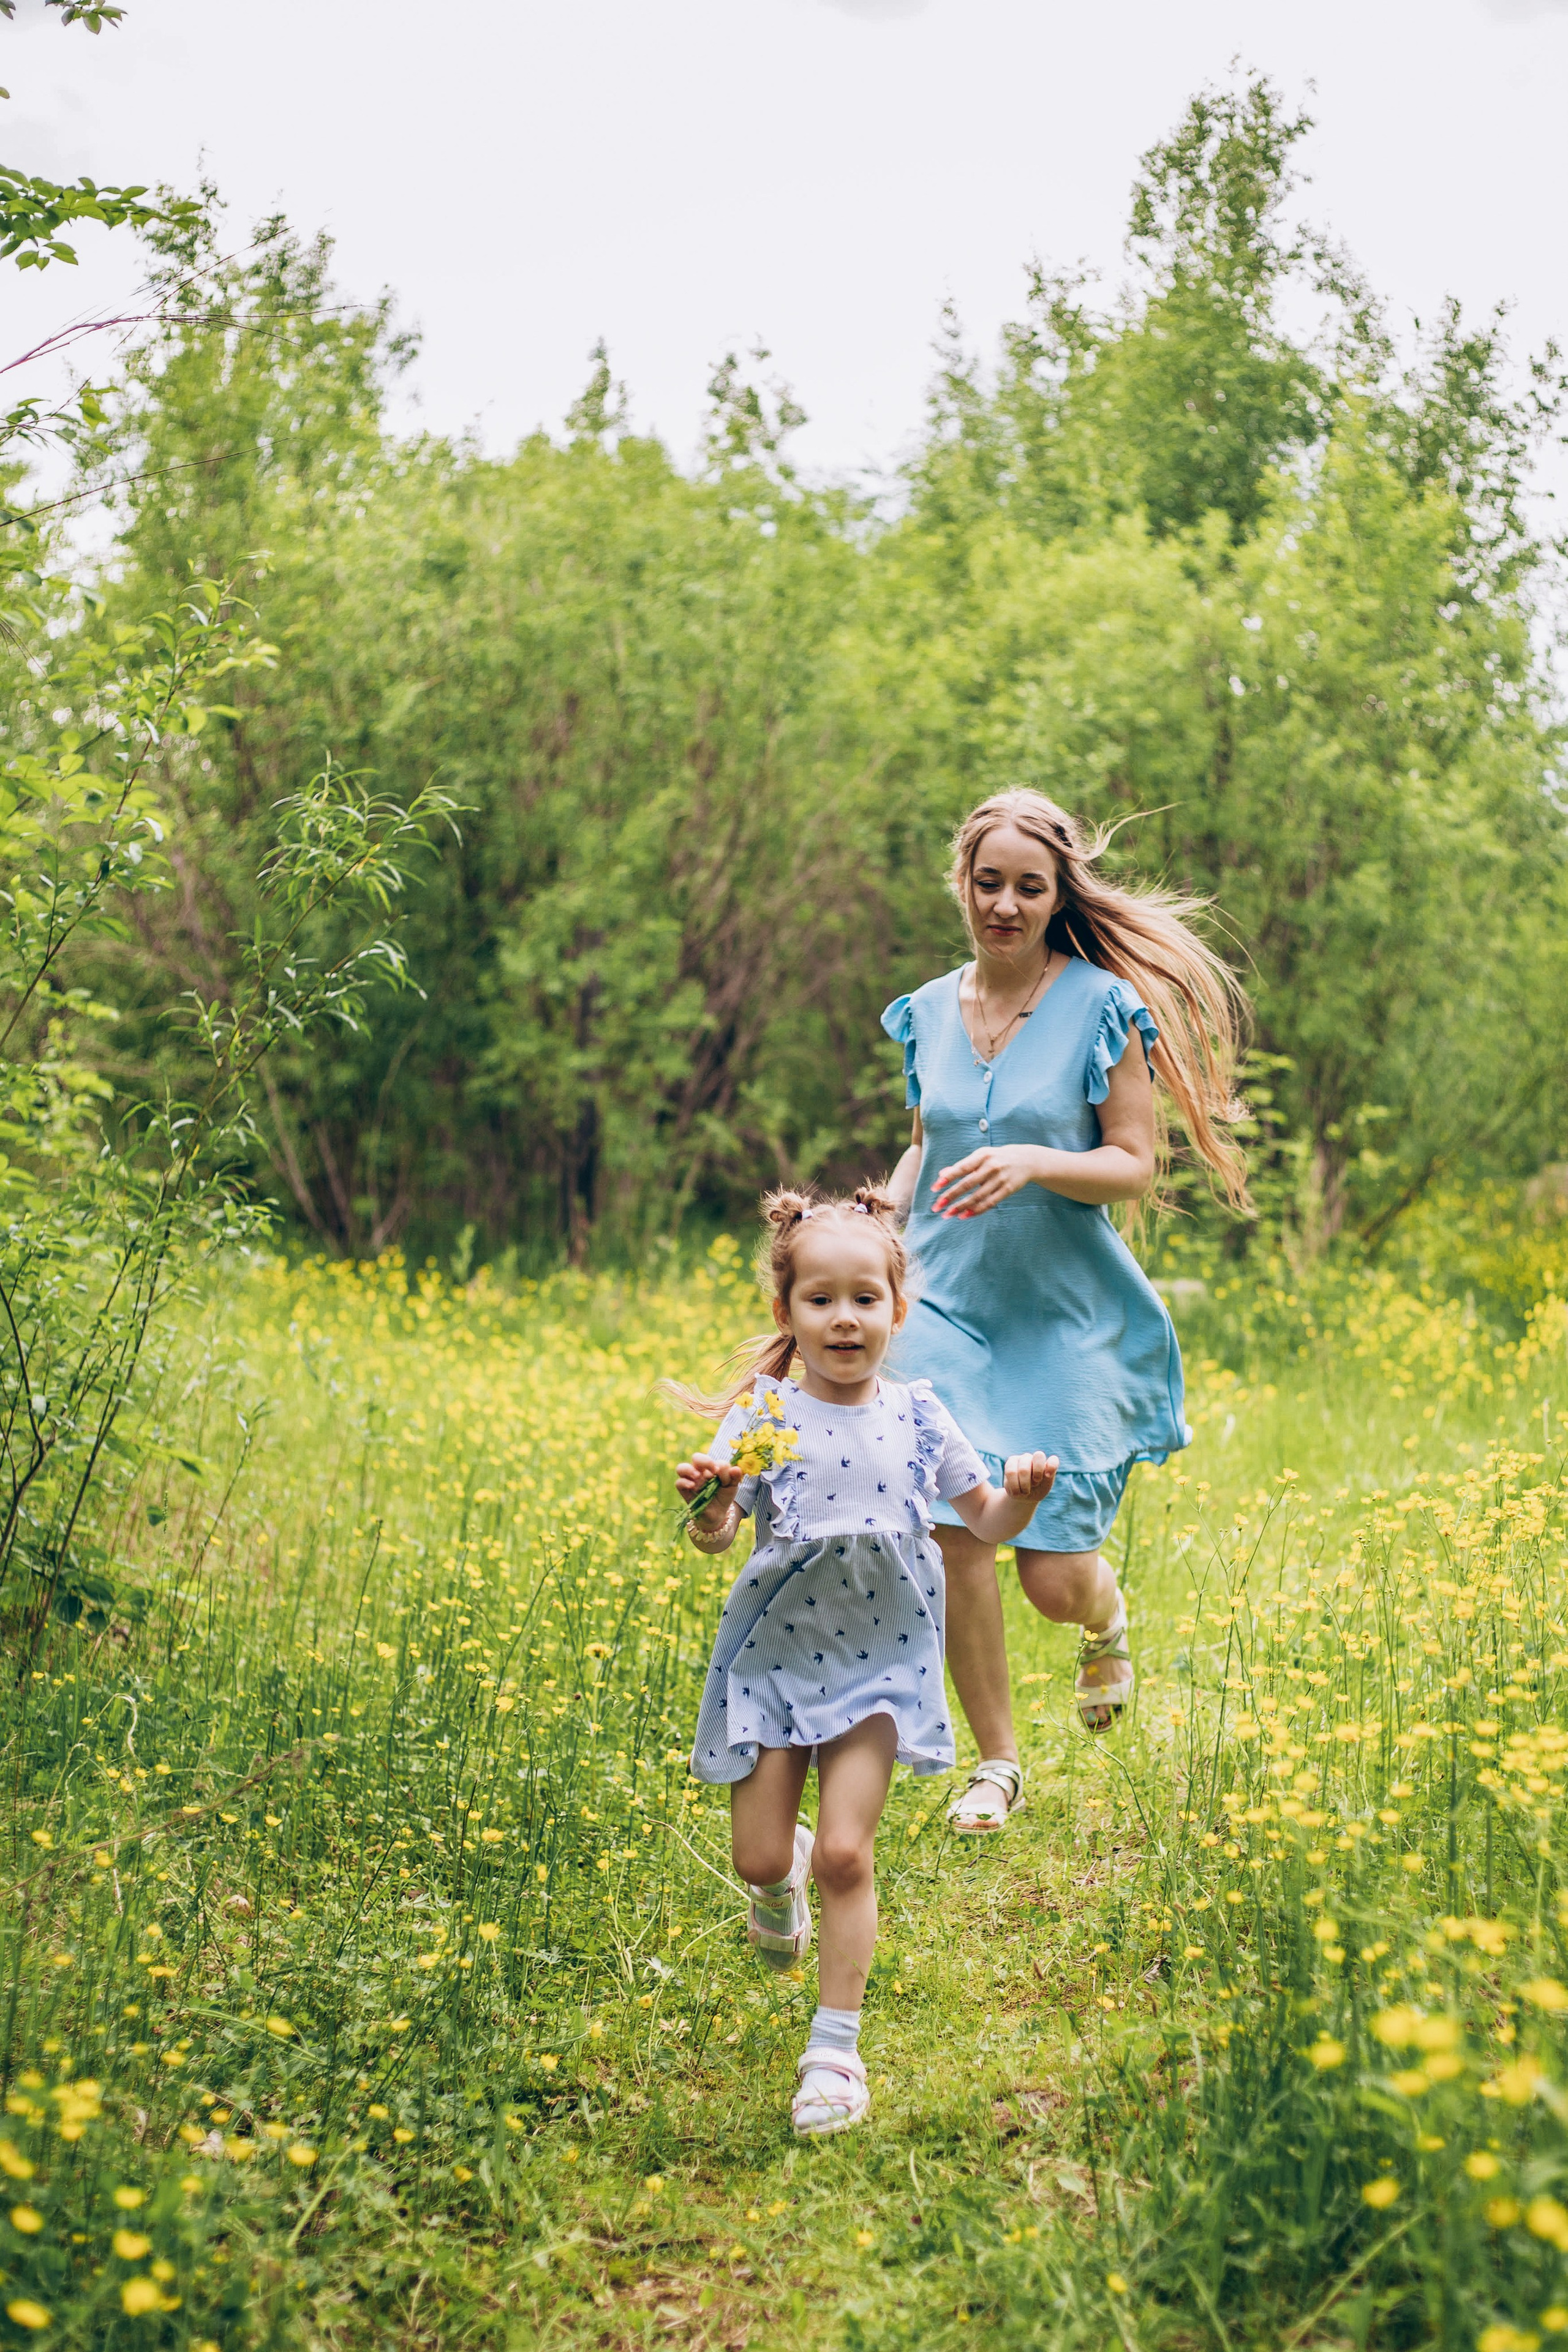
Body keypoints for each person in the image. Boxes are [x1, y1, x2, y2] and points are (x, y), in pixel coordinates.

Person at [881, 788, 1248, 1833]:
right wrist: (891, 1202)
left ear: (1056, 896)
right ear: (962, 882)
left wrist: (1036, 1161)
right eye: (986, 883)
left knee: (1051, 1578)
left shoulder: (1098, 1006)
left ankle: (1107, 1613)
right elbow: (930, 1136)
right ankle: (995, 1764)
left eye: (1027, 888)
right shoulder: (925, 1010)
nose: (1003, 904)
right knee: (958, 1535)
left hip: (1063, 1313)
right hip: (946, 1304)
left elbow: (1131, 1164)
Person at [671, 1186, 1057, 2138]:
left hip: (881, 1662)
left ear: (897, 1309)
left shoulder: (921, 1414)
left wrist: (1027, 1495)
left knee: (850, 1852)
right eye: (820, 1301)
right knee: (763, 1854)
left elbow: (987, 1523)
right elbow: (717, 1536)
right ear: (786, 1312)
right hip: (776, 1656)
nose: (844, 1319)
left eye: (864, 1300)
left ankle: (834, 2055)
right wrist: (711, 1502)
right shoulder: (764, 1410)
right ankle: (779, 1872)